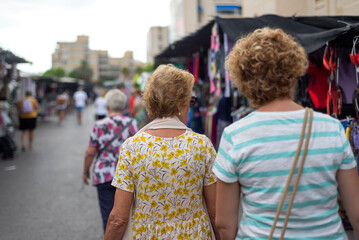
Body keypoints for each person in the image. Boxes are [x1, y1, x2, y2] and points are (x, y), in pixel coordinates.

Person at [213, 28, 359, 239]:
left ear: (242, 79)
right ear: (294, 70)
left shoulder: (235, 136)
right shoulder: (331, 128)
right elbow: (356, 212)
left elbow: (224, 224)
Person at [105, 64, 219, 240]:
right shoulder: (202, 145)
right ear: (180, 105)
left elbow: (118, 219)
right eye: (190, 101)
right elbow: (215, 214)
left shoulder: (132, 147)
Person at [82, 89, 138, 233]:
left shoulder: (99, 125)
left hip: (104, 175)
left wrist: (85, 171)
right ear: (124, 106)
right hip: (127, 176)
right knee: (127, 214)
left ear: (107, 107)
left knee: (108, 215)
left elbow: (90, 152)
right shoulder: (132, 124)